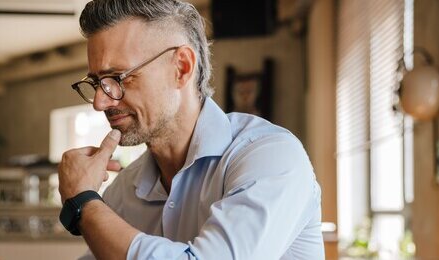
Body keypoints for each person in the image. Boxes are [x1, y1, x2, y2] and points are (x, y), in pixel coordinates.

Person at [57, 0, 325, 259]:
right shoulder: (124, 191)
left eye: (117, 78)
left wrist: (83, 201)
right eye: (96, 83)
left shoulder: (272, 157)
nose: (100, 101)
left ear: (181, 68)